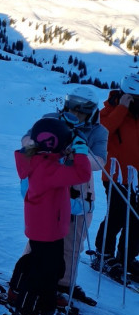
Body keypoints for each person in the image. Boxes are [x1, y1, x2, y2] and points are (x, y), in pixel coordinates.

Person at [20, 86, 107, 303]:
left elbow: (99, 162)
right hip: (51, 183)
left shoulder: (98, 131)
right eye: (72, 108)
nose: (75, 114)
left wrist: (78, 153)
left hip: (79, 187)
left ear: (91, 112)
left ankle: (63, 284)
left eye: (81, 111)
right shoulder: (50, 120)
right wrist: (50, 146)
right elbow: (27, 141)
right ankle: (24, 280)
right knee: (41, 240)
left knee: (73, 241)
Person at [7, 117, 91, 315]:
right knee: (41, 271)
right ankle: (25, 310)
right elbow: (82, 174)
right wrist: (80, 150)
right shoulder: (46, 167)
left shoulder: (45, 159)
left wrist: (69, 148)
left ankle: (47, 306)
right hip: (44, 228)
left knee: (54, 268)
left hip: (51, 227)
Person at [93, 71, 139, 280]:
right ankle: (103, 255)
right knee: (117, 216)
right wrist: (122, 108)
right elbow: (103, 132)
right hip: (115, 175)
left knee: (136, 219)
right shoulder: (109, 112)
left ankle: (126, 257)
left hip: (136, 178)